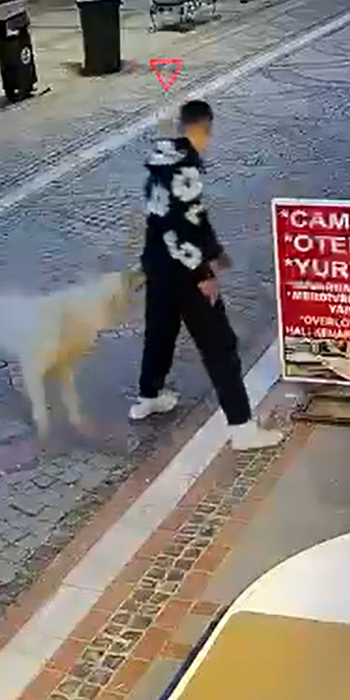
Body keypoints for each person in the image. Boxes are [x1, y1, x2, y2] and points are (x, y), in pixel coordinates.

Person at [131, 100, 285, 452]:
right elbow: (183, 227)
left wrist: (214, 251)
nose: (209, 139)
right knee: (220, 347)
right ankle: (242, 428)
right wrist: (204, 272)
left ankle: (148, 396)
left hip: (157, 267)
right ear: (199, 129)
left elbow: (178, 218)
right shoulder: (185, 169)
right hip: (182, 272)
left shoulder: (160, 162)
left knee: (160, 333)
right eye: (208, 132)